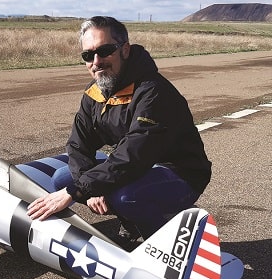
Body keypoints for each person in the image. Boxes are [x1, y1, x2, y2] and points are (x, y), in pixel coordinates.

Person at [26, 16, 211, 247]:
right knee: (62, 178)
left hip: (180, 173)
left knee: (125, 196)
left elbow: (135, 154)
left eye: (105, 51)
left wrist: (79, 190)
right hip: (135, 169)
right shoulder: (95, 93)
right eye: (88, 55)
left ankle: (168, 246)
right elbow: (77, 145)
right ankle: (133, 222)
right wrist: (89, 189)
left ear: (124, 50)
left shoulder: (153, 92)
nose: (96, 61)